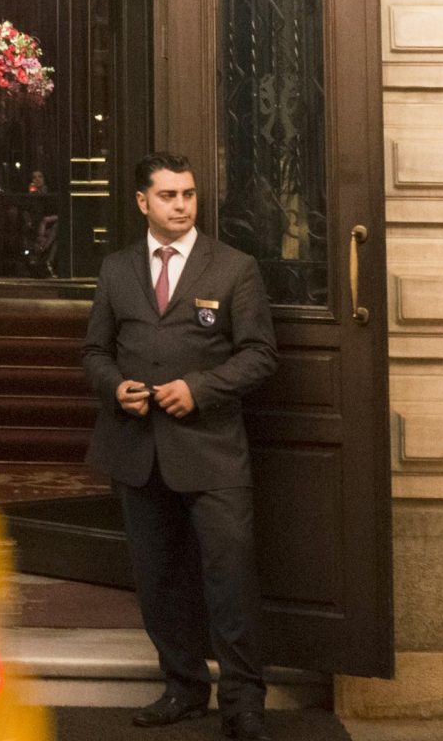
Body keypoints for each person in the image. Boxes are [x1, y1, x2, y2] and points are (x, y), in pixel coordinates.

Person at [82, 152, 278, 739]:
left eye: (188, 194)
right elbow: (94, 353)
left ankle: (243, 704)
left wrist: (199, 389)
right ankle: (183, 686)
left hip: (212, 451)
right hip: (138, 451)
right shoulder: (117, 269)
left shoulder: (234, 268)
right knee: (159, 579)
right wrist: (117, 388)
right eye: (167, 196)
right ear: (143, 202)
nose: (181, 205)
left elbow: (261, 354)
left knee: (230, 579)